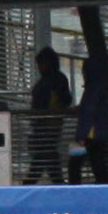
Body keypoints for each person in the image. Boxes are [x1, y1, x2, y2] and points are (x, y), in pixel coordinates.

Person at [25, 52, 78, 184]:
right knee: (47, 153)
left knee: (43, 154)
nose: (40, 68)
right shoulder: (58, 79)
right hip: (51, 123)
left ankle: (31, 183)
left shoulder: (49, 82)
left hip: (46, 123)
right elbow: (66, 99)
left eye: (41, 64)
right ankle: (57, 182)